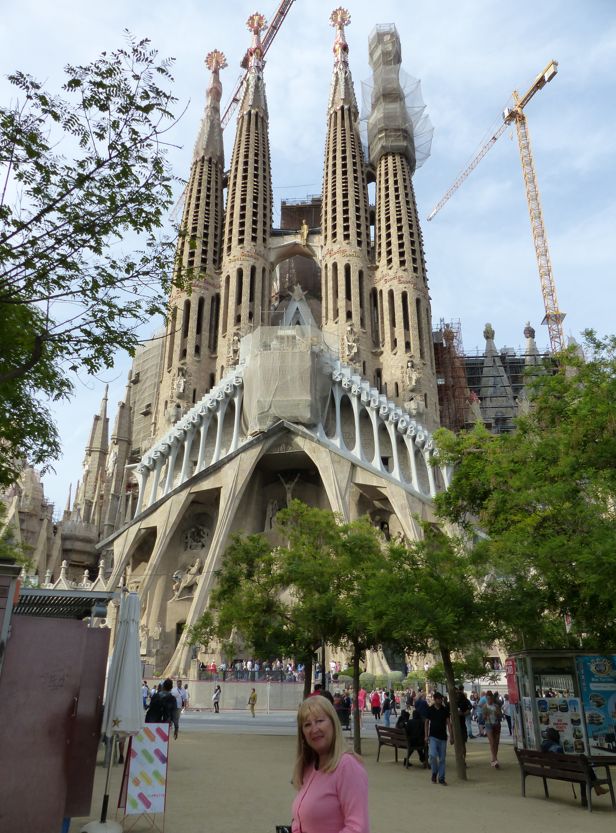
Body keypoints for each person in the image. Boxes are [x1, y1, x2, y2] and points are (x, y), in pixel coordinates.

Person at [291, 695, 369, 833]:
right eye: (307, 724)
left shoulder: (347, 766)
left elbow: (357, 828)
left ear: (333, 723)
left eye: (320, 721)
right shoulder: (310, 767)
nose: (314, 729)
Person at [541, 728, 608, 796]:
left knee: (585, 768)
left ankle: (597, 787)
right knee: (587, 768)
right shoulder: (557, 747)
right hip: (563, 770)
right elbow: (564, 759)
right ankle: (597, 788)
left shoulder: (544, 745)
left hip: (554, 769)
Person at [425, 691, 453, 785]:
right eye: (438, 699)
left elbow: (449, 723)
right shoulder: (430, 709)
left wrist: (451, 735)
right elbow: (426, 722)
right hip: (433, 736)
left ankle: (441, 778)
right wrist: (426, 735)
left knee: (442, 759)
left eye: (441, 699)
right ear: (435, 699)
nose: (440, 700)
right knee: (432, 755)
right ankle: (434, 772)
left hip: (443, 737)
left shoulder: (444, 710)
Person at [482, 690, 502, 768]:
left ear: (492, 699)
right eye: (488, 699)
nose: (489, 700)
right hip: (488, 725)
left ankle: (494, 757)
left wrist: (498, 714)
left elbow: (501, 715)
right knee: (492, 742)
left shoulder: (496, 706)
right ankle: (494, 759)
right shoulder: (485, 706)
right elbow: (483, 717)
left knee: (496, 743)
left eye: (490, 699)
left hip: (496, 724)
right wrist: (485, 716)